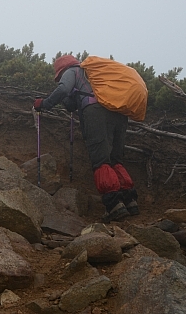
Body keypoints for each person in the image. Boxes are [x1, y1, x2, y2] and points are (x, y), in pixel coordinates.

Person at [33, 54, 138, 222]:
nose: (60, 78)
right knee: (115, 158)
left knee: (100, 159)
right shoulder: (92, 75)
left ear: (61, 71)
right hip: (119, 112)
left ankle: (114, 205)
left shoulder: (73, 71)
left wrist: (44, 104)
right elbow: (73, 102)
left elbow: (63, 90)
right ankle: (130, 200)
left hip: (96, 112)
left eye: (59, 76)